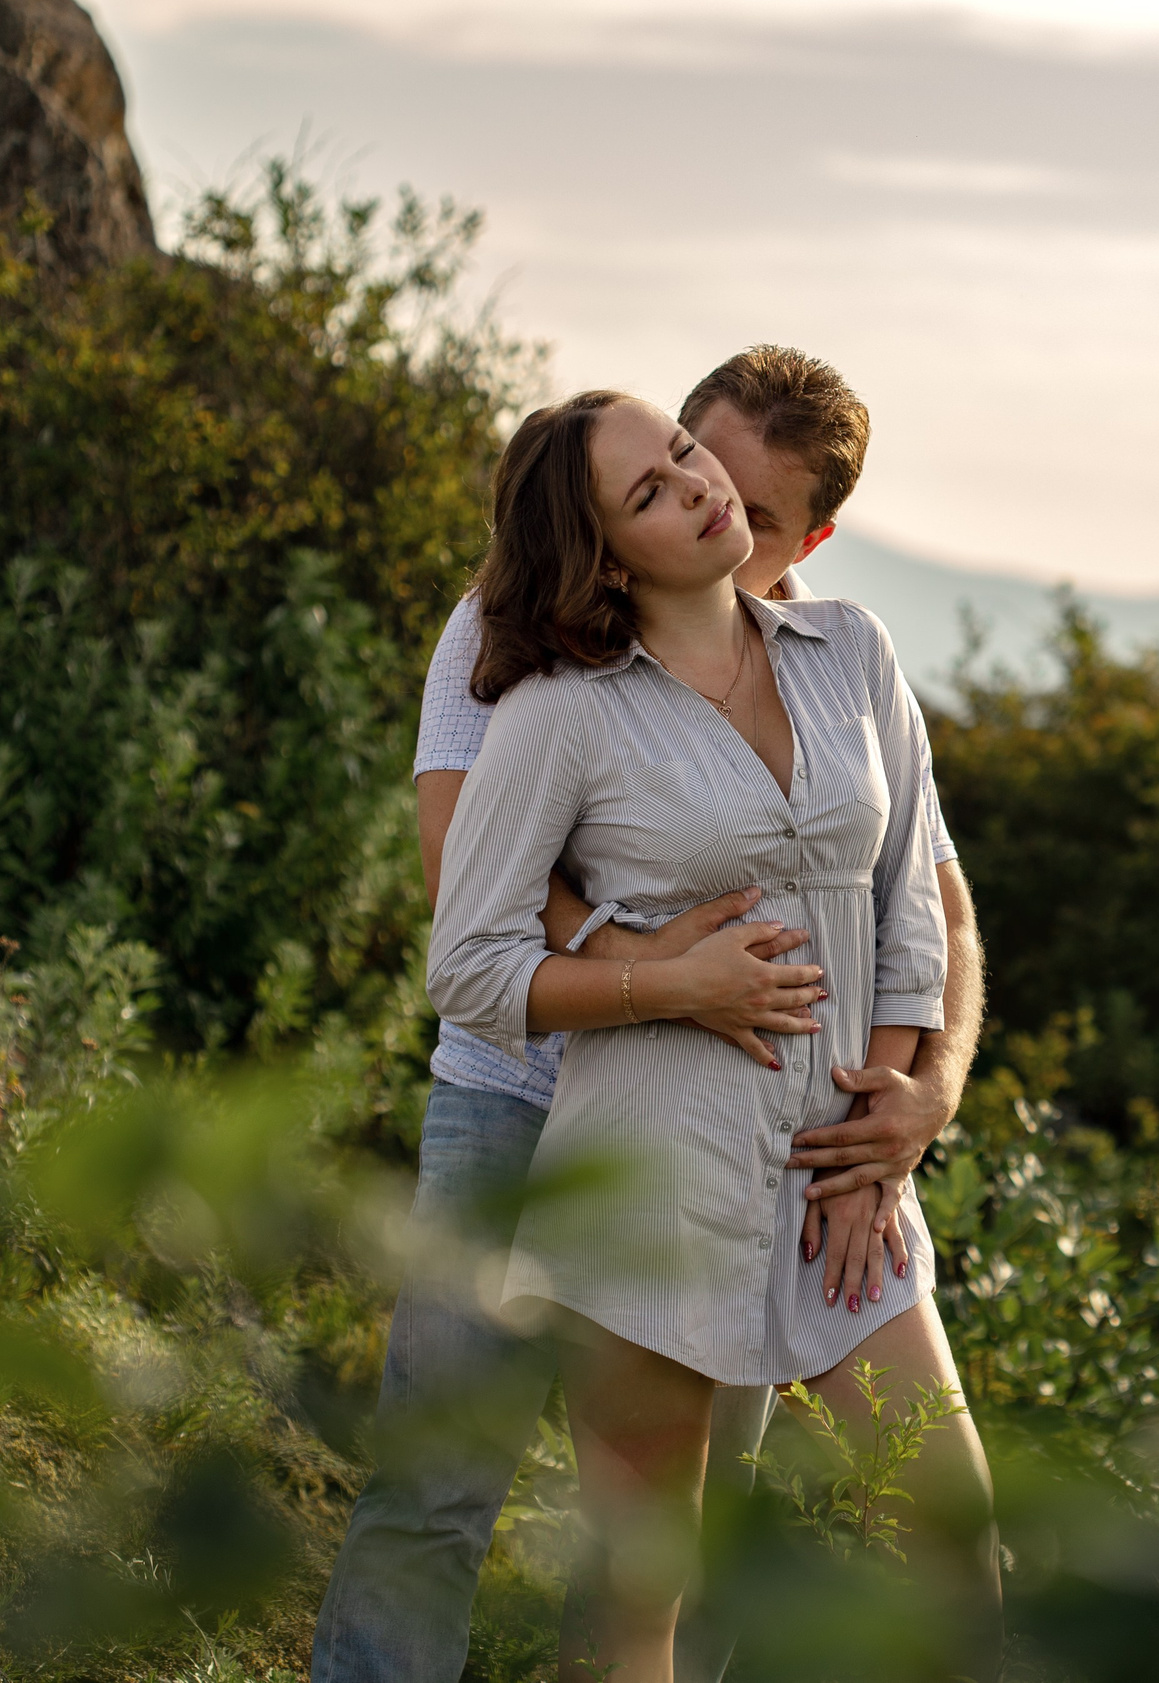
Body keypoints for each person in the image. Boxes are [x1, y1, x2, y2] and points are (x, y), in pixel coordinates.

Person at [310, 348, 990, 1683]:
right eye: (682, 464)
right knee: (444, 1487)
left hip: (781, 1141)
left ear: (806, 535)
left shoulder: (839, 651)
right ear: (603, 544)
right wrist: (657, 969)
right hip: (527, 1105)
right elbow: (471, 890)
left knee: (701, 1556)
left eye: (734, 492)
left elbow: (926, 904)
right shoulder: (522, 653)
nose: (708, 500)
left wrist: (915, 1102)